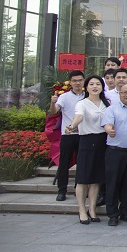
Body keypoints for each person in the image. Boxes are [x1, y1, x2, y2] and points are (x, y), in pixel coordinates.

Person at [66, 75, 109, 224]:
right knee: (83, 179)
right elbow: (79, 117)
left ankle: (92, 209)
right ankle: (82, 209)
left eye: (98, 84)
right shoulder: (82, 103)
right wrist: (72, 126)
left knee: (96, 179)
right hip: (87, 141)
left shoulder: (106, 103)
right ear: (87, 87)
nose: (95, 86)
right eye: (91, 84)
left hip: (102, 141)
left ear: (102, 87)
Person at [101, 83, 127, 226]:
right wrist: (109, 130)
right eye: (124, 92)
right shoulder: (111, 109)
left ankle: (125, 212)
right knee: (112, 184)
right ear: (119, 94)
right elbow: (107, 124)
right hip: (115, 152)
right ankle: (112, 214)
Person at [51, 70, 85, 201]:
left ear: (83, 81)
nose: (77, 83)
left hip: (83, 134)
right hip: (68, 134)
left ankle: (79, 189)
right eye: (74, 81)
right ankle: (62, 190)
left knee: (82, 163)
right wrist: (53, 102)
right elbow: (54, 111)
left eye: (80, 80)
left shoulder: (88, 96)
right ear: (70, 82)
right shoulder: (64, 97)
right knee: (64, 163)